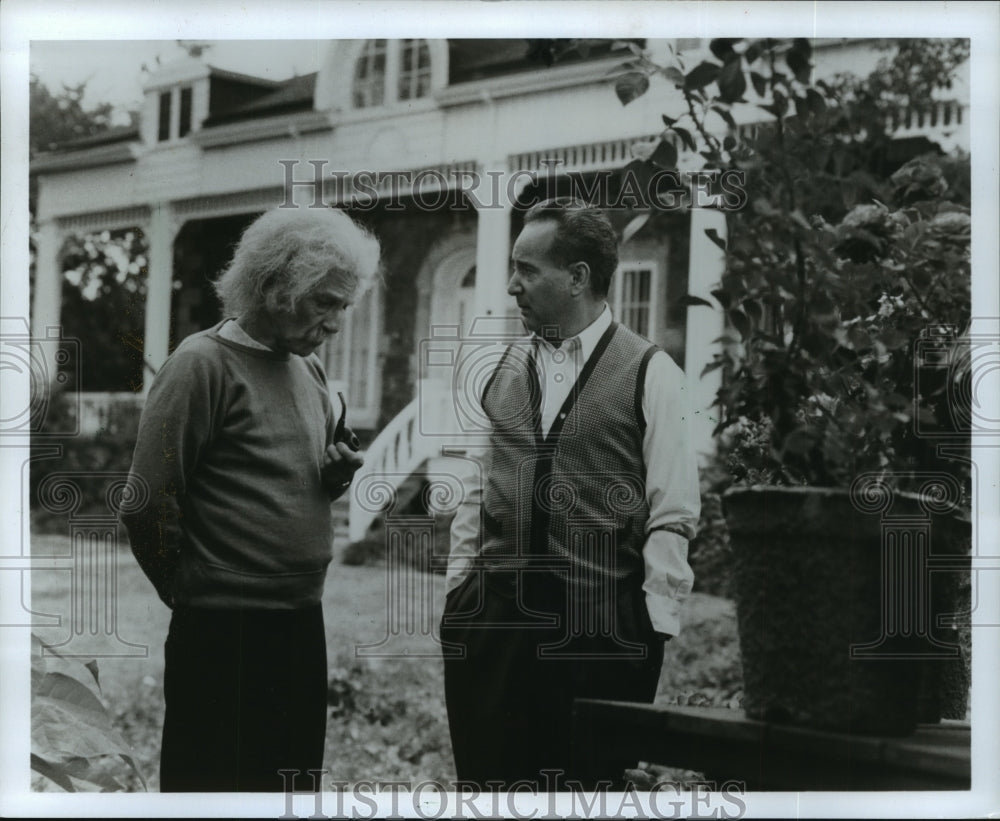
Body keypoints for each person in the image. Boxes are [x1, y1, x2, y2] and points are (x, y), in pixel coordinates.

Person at [440, 198, 700, 790]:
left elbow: (674, 513)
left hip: (598, 636)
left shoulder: (651, 372)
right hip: (494, 629)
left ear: (578, 277)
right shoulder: (501, 366)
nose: (511, 286)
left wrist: (647, 628)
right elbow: (477, 489)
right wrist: (461, 598)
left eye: (527, 270)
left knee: (585, 792)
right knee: (489, 792)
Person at [120, 206, 379, 792]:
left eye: (344, 306)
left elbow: (283, 479)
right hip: (222, 631)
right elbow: (144, 499)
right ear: (275, 287)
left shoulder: (308, 370)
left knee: (287, 792)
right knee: (214, 793)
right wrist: (189, 588)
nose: (336, 323)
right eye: (325, 303)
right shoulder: (200, 364)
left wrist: (331, 480)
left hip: (299, 621)